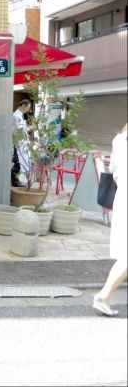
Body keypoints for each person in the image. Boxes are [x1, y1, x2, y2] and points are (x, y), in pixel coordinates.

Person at [93, 123, 127, 316]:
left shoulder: (119, 139)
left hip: (122, 195)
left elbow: (113, 168)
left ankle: (104, 295)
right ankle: (104, 294)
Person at [11, 99, 31, 187]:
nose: (27, 110)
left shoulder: (20, 115)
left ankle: (15, 181)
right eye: (27, 108)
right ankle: (14, 181)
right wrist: (29, 128)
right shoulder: (16, 116)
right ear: (23, 106)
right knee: (17, 163)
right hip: (17, 143)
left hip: (21, 143)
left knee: (19, 163)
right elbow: (19, 130)